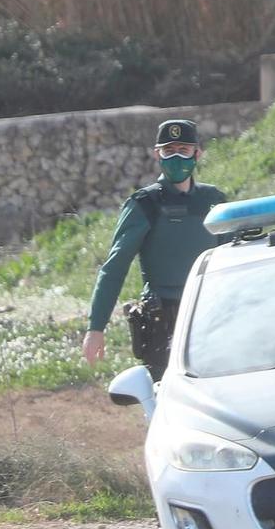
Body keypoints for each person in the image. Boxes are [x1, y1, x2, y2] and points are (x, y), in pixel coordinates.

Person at [82, 118, 228, 381]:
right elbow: (114, 268)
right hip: (163, 318)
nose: (176, 158)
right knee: (165, 396)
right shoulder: (145, 204)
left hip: (209, 314)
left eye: (183, 150)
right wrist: (96, 328)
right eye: (168, 151)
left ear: (197, 153)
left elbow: (235, 255)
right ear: (157, 155)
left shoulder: (213, 201)